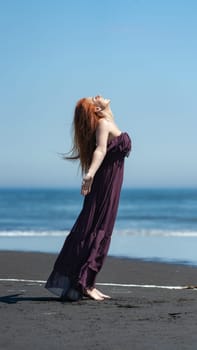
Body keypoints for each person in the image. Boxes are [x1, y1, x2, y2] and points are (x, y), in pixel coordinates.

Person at [45, 95, 131, 301]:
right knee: (98, 228)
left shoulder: (107, 119)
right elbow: (100, 150)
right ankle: (85, 283)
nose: (99, 96)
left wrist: (106, 111)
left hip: (112, 181)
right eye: (95, 98)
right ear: (94, 109)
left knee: (100, 227)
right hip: (105, 181)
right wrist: (90, 174)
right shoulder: (103, 124)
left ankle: (86, 282)